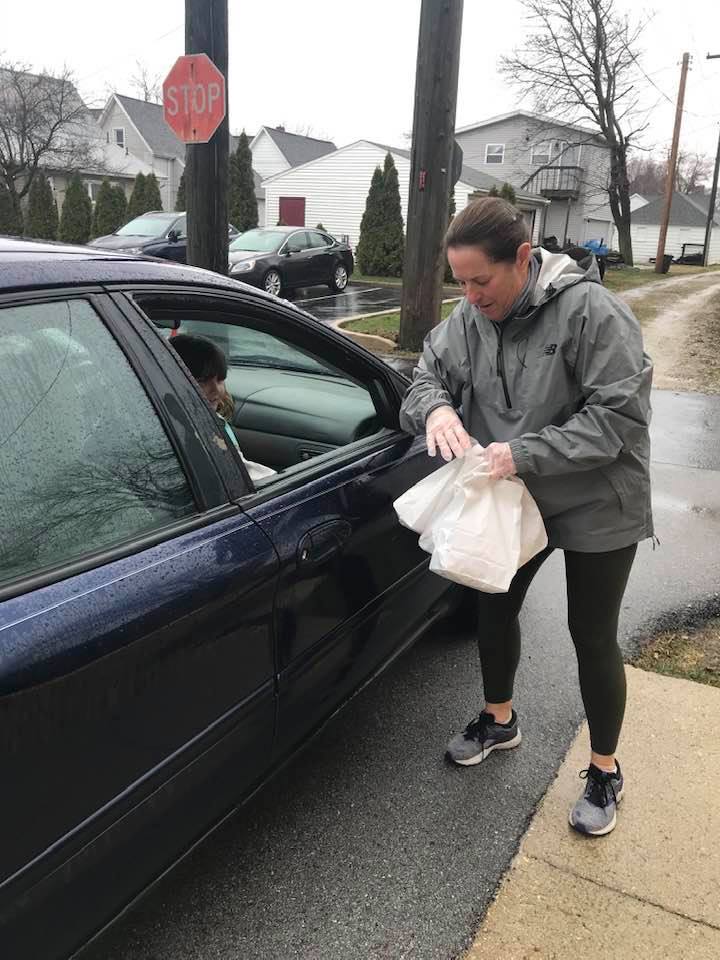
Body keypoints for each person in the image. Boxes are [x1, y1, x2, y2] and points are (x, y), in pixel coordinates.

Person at [399, 197, 653, 837]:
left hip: (599, 495)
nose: (470, 295)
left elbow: (617, 421)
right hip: (519, 495)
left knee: (590, 632)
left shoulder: (593, 312)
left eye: (480, 280)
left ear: (522, 259)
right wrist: (435, 410)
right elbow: (426, 371)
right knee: (494, 604)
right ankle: (500, 718)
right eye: (459, 281)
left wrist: (524, 452)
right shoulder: (469, 319)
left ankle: (603, 768)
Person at [169, 333, 276, 484]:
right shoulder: (185, 428)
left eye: (220, 380)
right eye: (202, 381)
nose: (216, 390)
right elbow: (235, 472)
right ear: (172, 381)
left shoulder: (215, 422)